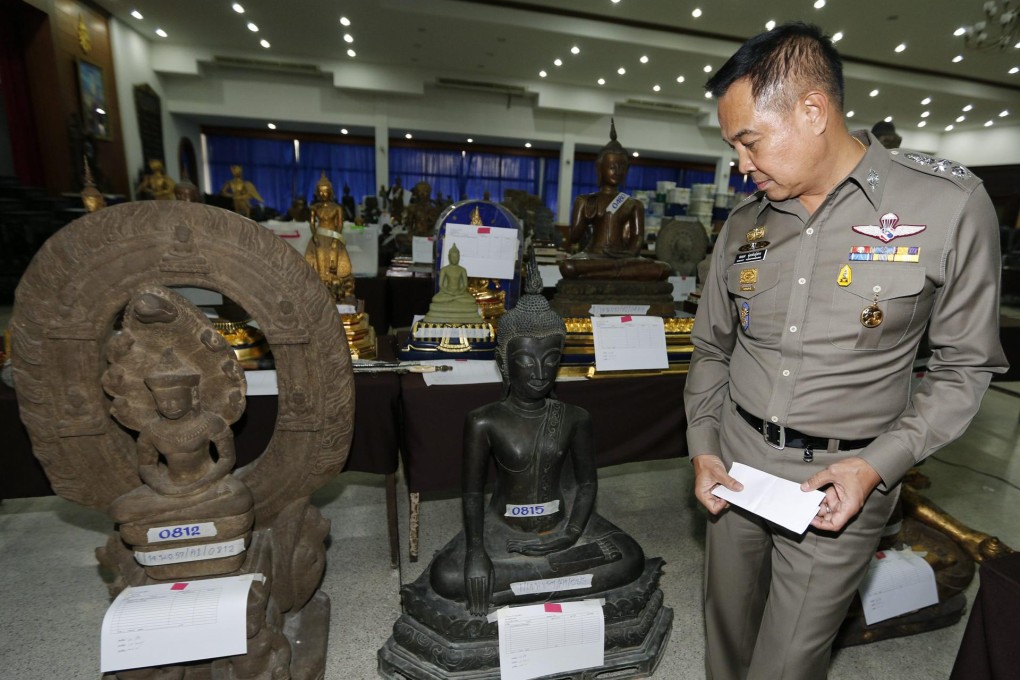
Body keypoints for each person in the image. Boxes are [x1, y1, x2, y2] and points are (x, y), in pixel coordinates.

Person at [686, 22, 1007, 680]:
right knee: (725, 635)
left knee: (787, 660)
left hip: (841, 483)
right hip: (737, 463)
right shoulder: (744, 223)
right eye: (733, 146)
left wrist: (878, 465)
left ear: (812, 110)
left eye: (748, 141)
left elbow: (964, 368)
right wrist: (703, 444)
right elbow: (710, 348)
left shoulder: (948, 206)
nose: (739, 164)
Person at [428, 253, 644, 615]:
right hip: (503, 531)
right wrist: (477, 551)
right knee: (448, 576)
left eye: (551, 358)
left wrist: (571, 533)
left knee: (630, 559)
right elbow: (472, 492)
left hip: (562, 528)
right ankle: (548, 584)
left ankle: (512, 593)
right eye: (527, 360)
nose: (540, 372)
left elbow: (587, 484)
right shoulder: (484, 421)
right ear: (505, 363)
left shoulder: (574, 417)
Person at [559, 120, 672, 280]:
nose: (617, 171)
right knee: (568, 266)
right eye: (612, 167)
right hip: (594, 256)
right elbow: (574, 238)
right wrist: (585, 218)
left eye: (622, 167)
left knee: (664, 268)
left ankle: (605, 274)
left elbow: (637, 238)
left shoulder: (633, 204)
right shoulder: (585, 200)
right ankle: (613, 273)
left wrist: (628, 257)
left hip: (623, 258)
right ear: (600, 168)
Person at [305, 171, 355, 301]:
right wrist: (315, 236)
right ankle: (321, 283)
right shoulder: (315, 208)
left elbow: (339, 225)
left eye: (325, 191)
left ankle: (336, 283)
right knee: (319, 252)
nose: (323, 194)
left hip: (333, 236)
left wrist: (335, 239)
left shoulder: (337, 208)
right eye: (320, 192)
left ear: (330, 192)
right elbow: (312, 224)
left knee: (335, 255)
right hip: (319, 236)